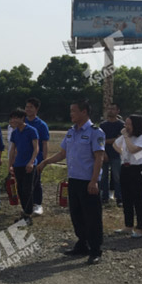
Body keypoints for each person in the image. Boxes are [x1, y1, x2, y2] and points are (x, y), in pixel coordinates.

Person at [38, 99, 105, 265]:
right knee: (76, 215)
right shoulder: (71, 132)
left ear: (84, 112)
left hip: (88, 181)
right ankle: (82, 244)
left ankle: (95, 250)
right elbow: (63, 153)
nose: (71, 114)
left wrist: (94, 181)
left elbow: (99, 157)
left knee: (92, 217)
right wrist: (46, 161)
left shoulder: (95, 132)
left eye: (74, 111)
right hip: (74, 180)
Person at [112, 115, 142, 238]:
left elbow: (133, 149)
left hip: (138, 169)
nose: (126, 127)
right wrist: (122, 152)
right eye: (125, 124)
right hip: (125, 168)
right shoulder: (126, 136)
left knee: (138, 198)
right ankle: (128, 225)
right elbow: (115, 144)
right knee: (126, 198)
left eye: (128, 124)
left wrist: (126, 137)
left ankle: (140, 228)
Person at [7, 109, 39, 226]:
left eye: (16, 118)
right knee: (20, 190)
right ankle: (25, 212)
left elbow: (36, 148)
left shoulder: (31, 130)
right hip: (18, 164)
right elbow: (12, 150)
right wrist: (10, 165)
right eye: (12, 118)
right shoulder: (15, 133)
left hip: (29, 165)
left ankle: (28, 215)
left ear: (22, 118)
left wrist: (31, 162)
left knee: (27, 189)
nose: (13, 120)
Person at [24, 98, 49, 215]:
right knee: (24, 183)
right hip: (23, 158)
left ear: (36, 109)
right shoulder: (22, 122)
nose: (28, 109)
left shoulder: (41, 125)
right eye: (26, 107)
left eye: (31, 107)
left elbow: (44, 143)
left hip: (36, 158)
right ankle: (27, 205)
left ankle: (38, 204)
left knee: (35, 182)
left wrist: (44, 160)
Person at [100, 103, 124, 207]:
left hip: (116, 154)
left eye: (113, 109)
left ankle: (119, 198)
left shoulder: (121, 125)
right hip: (104, 153)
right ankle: (104, 197)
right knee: (103, 176)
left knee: (117, 177)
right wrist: (103, 152)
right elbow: (99, 140)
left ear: (118, 111)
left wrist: (105, 141)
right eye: (109, 109)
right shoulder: (102, 125)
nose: (110, 110)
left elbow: (119, 139)